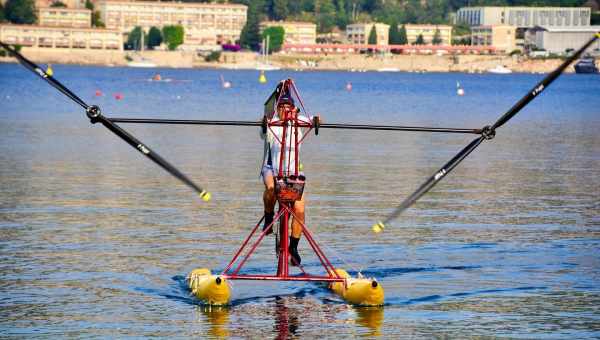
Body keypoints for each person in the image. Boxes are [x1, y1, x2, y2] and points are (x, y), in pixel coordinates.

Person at [260, 93, 310, 266]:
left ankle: (293, 247)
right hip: (272, 169)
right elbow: (264, 126)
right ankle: (268, 217)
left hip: (293, 172)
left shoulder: (299, 121)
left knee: (300, 210)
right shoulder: (272, 121)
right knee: (272, 190)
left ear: (293, 109)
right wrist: (265, 122)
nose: (284, 110)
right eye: (281, 107)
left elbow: (316, 120)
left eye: (287, 107)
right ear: (277, 109)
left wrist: (316, 119)